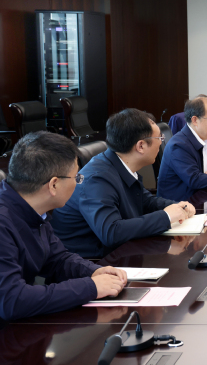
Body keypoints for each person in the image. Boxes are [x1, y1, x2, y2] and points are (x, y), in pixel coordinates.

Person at [0, 132, 128, 321]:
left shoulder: (32, 208)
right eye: (76, 177)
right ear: (53, 185)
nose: (78, 183)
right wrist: (91, 287)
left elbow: (57, 258)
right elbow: (12, 301)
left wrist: (93, 271)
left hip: (22, 323)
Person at [52, 108, 196, 259]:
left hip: (119, 254)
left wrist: (177, 206)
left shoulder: (119, 165)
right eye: (159, 138)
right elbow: (111, 232)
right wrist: (166, 216)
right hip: (92, 263)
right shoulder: (97, 179)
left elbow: (145, 201)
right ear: (140, 146)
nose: (161, 143)